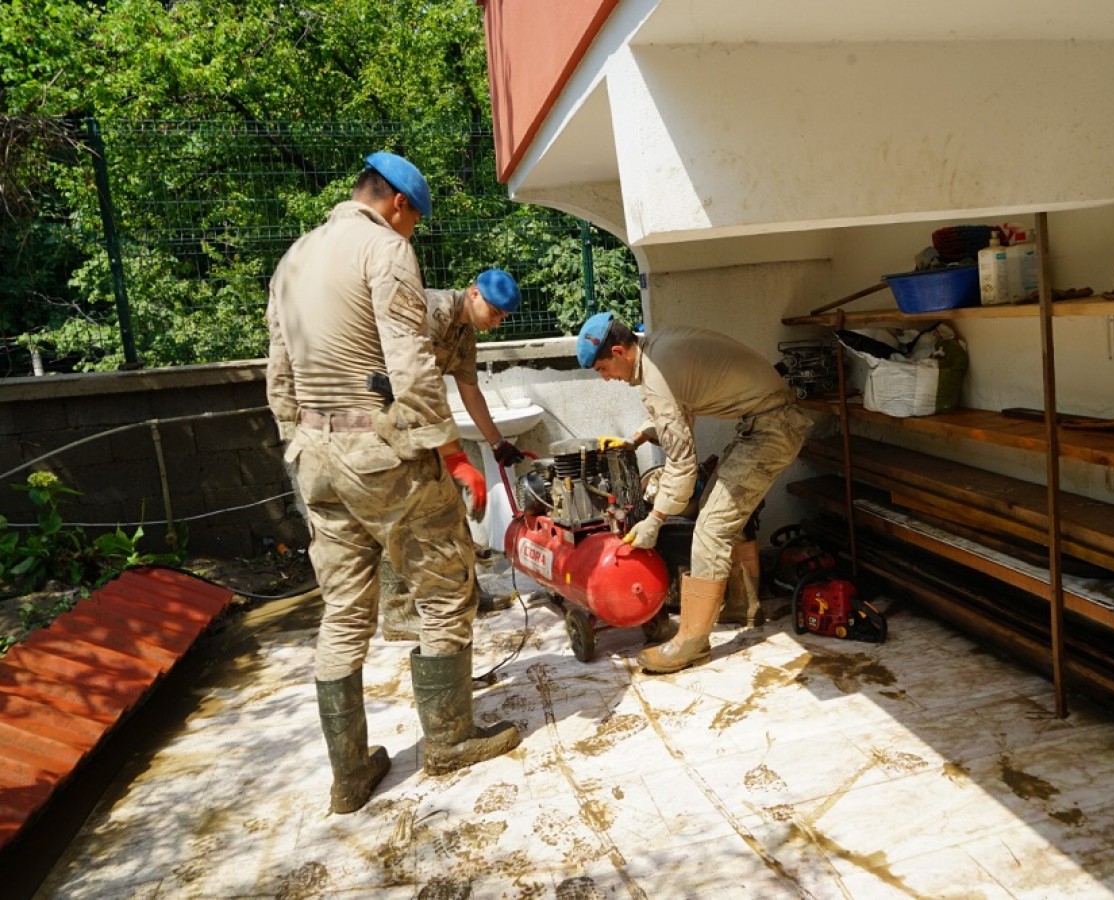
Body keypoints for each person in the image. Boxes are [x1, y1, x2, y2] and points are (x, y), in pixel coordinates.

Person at [265, 151, 519, 814]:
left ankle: (348, 776)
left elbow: (278, 374)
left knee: (344, 611)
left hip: (314, 453)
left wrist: (298, 441)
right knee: (443, 585)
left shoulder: (293, 257)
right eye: (414, 222)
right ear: (398, 205)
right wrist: (451, 454)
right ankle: (448, 740)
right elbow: (409, 367)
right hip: (378, 450)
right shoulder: (383, 250)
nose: (412, 234)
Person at [576, 313, 813, 673]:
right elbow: (678, 409)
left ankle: (692, 642)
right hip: (767, 421)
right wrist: (637, 437)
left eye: (603, 369)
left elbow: (682, 462)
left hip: (771, 429)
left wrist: (655, 519)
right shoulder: (659, 349)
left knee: (711, 526)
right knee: (718, 510)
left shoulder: (656, 377)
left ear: (620, 351)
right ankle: (742, 604)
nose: (606, 379)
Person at [379, 270, 527, 638]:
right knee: (400, 516)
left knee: (452, 510)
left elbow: (470, 392)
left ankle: (468, 596)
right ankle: (397, 614)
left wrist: (497, 443)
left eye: (502, 318)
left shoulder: (465, 336)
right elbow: (415, 384)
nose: (496, 321)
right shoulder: (428, 310)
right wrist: (457, 458)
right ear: (473, 293)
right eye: (494, 312)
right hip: (383, 419)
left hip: (420, 424)